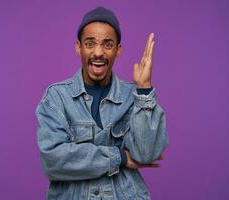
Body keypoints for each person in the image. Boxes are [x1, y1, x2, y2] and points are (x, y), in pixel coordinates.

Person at [36, 6, 169, 200]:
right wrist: (120, 157)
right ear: (78, 47)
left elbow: (146, 154)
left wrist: (144, 89)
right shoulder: (56, 98)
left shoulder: (134, 95)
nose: (98, 52)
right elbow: (54, 160)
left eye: (107, 44)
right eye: (90, 43)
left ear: (118, 50)